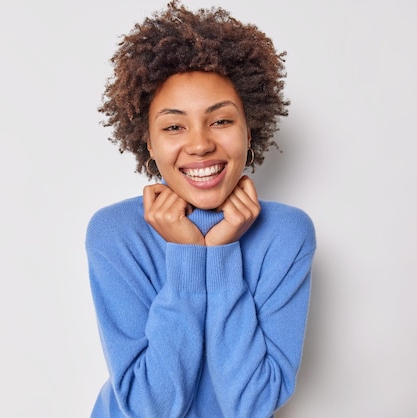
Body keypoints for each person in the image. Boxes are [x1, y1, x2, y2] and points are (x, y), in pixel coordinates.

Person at [86, 1, 316, 416]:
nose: (199, 144)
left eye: (221, 121)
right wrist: (188, 256)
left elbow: (252, 405)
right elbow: (147, 408)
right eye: (174, 126)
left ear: (250, 130)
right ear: (149, 144)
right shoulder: (114, 232)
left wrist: (220, 253)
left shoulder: (287, 232)